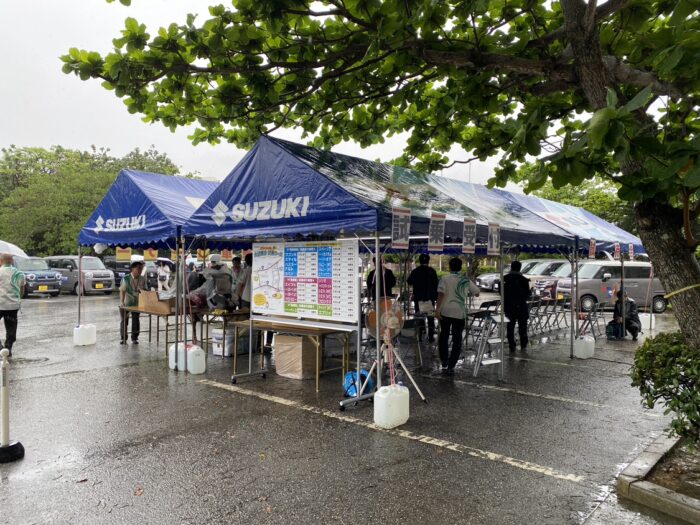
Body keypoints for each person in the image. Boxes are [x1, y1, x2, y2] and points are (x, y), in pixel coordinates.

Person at [435, 257, 479, 374]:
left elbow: (440, 295)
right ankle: (451, 365)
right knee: (457, 339)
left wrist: (437, 310)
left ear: (450, 267)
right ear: (460, 267)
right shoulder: (465, 280)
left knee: (444, 336)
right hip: (459, 312)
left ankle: (444, 361)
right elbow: (477, 292)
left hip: (445, 311)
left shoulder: (444, 279)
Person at [407, 253, 439, 342]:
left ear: (419, 261)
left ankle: (420, 336)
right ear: (428, 261)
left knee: (419, 318)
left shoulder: (415, 271)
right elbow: (436, 284)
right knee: (430, 318)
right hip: (430, 299)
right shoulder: (432, 271)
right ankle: (431, 337)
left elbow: (409, 281)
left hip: (418, 299)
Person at [0, 253, 25, 357]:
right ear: (12, 261)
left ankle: (0, 349)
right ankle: (8, 348)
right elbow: (22, 291)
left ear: (1, 261)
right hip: (13, 306)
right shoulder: (19, 273)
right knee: (11, 328)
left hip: (0, 304)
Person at [503, 260, 531, 352]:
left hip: (509, 306)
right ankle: (523, 344)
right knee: (523, 327)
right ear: (520, 268)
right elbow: (527, 294)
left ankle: (512, 344)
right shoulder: (524, 280)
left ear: (511, 267)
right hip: (521, 307)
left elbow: (501, 292)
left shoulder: (505, 278)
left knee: (510, 327)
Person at [119, 261, 146, 345]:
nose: (140, 270)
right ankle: (123, 338)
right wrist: (122, 302)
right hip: (127, 303)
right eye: (138, 268)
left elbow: (145, 290)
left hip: (137, 303)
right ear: (132, 269)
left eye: (141, 269)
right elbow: (122, 291)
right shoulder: (126, 278)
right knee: (124, 320)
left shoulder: (142, 278)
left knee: (136, 320)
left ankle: (135, 338)